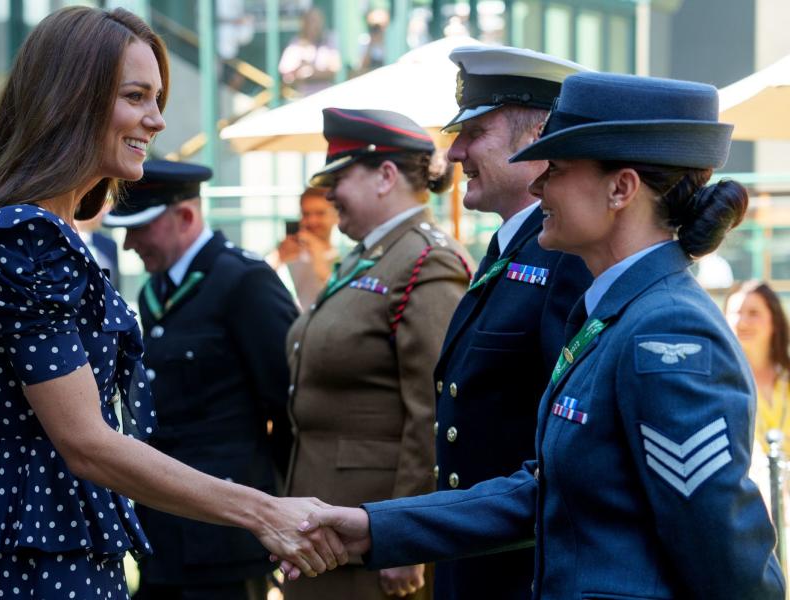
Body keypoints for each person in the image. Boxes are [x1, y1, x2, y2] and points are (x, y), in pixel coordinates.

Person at [296, 72, 787, 599]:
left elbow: (722, 548)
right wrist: (375, 527)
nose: (535, 186)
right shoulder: (613, 313)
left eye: (554, 169)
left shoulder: (666, 330)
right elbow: (546, 487)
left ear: (621, 188)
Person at [0, 7, 345, 599]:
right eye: (137, 96)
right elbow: (87, 441)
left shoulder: (53, 233)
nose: (157, 120)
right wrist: (263, 511)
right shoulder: (25, 233)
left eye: (158, 98)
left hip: (63, 542)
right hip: (40, 555)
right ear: (71, 101)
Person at [283, 107, 471, 600]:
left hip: (373, 538)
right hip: (328, 528)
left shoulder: (427, 260)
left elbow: (433, 410)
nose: (329, 195)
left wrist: (406, 537)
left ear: (386, 176)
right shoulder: (370, 254)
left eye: (340, 178)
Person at [429, 45, 591, 600]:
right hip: (473, 562)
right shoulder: (513, 249)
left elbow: (561, 449)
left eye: (474, 131)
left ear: (538, 134)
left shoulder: (565, 257)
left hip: (519, 572)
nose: (455, 153)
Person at [103, 159, 298, 600]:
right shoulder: (158, 291)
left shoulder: (244, 282)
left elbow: (288, 406)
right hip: (164, 529)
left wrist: (284, 509)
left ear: (186, 217)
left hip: (225, 539)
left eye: (140, 228)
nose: (129, 243)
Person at [725, 280, 790, 508]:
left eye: (753, 313)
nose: (742, 321)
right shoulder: (719, 384)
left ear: (774, 320)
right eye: (736, 312)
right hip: (749, 506)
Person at [267, 186, 338, 310]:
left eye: (320, 213)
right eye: (306, 214)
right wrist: (278, 258)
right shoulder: (288, 252)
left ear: (336, 216)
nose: (312, 221)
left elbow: (342, 298)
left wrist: (319, 258)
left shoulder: (347, 255)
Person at [277, 7, 340, 96]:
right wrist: (300, 73)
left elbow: (338, 70)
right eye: (311, 21)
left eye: (317, 20)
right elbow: (287, 76)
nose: (315, 25)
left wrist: (313, 73)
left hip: (329, 95)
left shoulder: (330, 39)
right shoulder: (295, 44)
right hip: (303, 98)